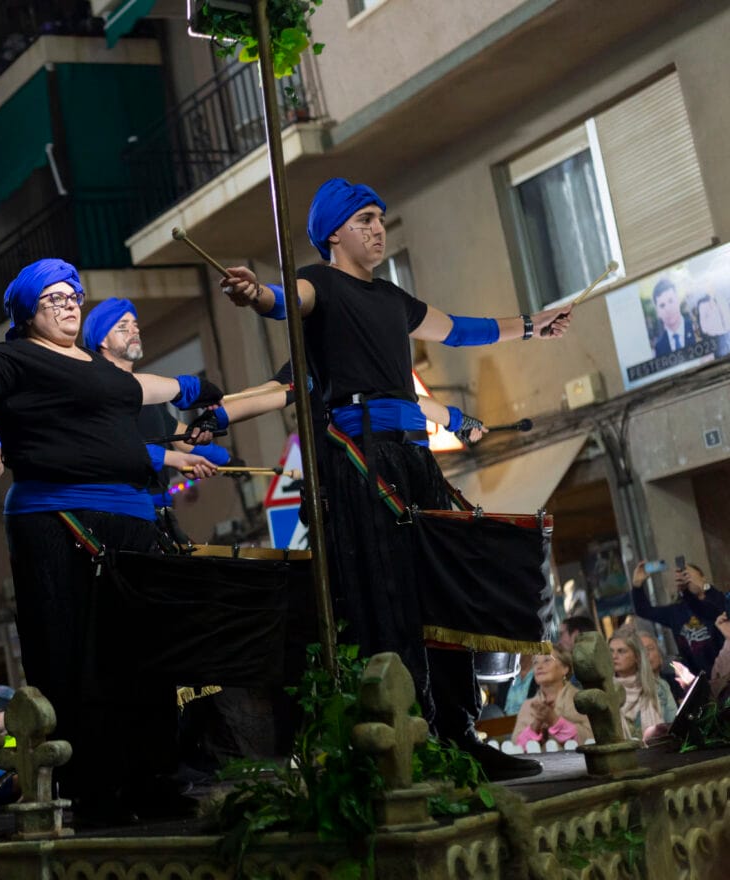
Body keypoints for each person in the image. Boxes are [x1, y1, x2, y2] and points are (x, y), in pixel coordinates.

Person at [218, 177, 574, 781]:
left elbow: (461, 329)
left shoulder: (393, 299)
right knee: (387, 597)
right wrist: (255, 295)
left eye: (381, 218)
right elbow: (283, 301)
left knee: (445, 590)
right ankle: (413, 739)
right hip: (360, 464)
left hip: (412, 458)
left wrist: (534, 326)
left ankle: (459, 733)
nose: (378, 228)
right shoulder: (319, 282)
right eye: (364, 220)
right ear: (334, 233)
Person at [0, 257, 224, 823]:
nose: (70, 305)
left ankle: (150, 779)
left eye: (74, 296)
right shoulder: (17, 359)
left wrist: (196, 387)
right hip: (58, 524)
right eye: (55, 298)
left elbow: (141, 387)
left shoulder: (98, 367)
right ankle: (92, 789)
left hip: (129, 523)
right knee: (78, 661)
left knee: (141, 658)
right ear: (27, 312)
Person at [80, 296, 230, 543]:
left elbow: (184, 437)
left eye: (135, 324)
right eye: (122, 326)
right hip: (124, 516)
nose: (134, 330)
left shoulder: (150, 397)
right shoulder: (97, 394)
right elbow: (114, 448)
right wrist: (175, 458)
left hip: (160, 515)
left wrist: (227, 459)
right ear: (101, 340)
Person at [630, 559, 724, 676]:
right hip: (698, 678)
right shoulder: (676, 611)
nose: (686, 579)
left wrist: (704, 587)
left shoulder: (718, 600)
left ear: (702, 577)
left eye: (688, 575)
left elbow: (714, 610)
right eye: (682, 576)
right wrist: (637, 585)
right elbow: (644, 610)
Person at [511, 646, 593, 748]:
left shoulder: (581, 700)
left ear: (565, 668)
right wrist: (537, 723)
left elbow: (590, 739)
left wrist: (554, 720)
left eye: (547, 660)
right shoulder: (527, 706)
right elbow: (516, 748)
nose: (539, 666)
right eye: (535, 662)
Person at [609, 628, 678, 741]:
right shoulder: (606, 691)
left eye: (621, 651)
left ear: (637, 656)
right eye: (611, 651)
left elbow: (674, 725)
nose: (614, 656)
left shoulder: (660, 687)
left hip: (658, 752)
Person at [639, 629, 695, 701]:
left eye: (650, 649)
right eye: (641, 652)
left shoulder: (675, 680)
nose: (646, 654)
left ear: (660, 654)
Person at [652, 279, 695, 357]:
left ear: (678, 300)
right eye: (662, 305)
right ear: (658, 312)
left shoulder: (695, 328)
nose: (668, 309)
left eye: (671, 301)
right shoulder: (659, 347)